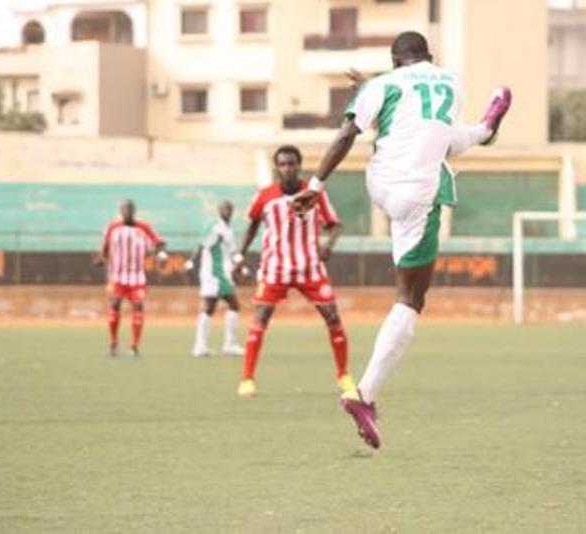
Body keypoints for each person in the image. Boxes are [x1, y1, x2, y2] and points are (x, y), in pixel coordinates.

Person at [292, 31, 512, 448]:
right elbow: (426, 112)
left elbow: (346, 134)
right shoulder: (451, 81)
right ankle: (364, 396)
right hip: (418, 195)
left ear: (395, 61)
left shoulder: (382, 85)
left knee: (438, 141)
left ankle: (485, 128)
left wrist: (316, 186)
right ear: (429, 56)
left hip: (380, 185)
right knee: (410, 299)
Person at [233, 145, 354, 398]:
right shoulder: (265, 196)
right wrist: (239, 255)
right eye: (282, 164)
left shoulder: (314, 193)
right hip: (275, 267)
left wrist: (327, 246)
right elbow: (253, 225)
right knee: (261, 317)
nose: (287, 168)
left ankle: (343, 375)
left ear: (299, 166)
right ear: (277, 167)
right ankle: (247, 378)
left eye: (291, 164)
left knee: (332, 316)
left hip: (309, 265)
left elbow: (335, 225)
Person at [96, 199, 167, 358]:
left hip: (137, 277)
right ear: (120, 211)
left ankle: (134, 347)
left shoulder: (144, 227)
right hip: (118, 276)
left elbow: (158, 243)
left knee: (138, 306)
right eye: (124, 209)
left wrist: (161, 252)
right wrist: (101, 259)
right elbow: (105, 249)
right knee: (114, 304)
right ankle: (113, 343)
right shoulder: (112, 228)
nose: (127, 211)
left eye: (130, 208)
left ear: (134, 210)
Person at [185, 200, 244, 357]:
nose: (227, 211)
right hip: (214, 273)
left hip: (222, 272)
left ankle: (201, 346)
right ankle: (228, 345)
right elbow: (201, 245)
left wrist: (239, 266)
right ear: (219, 210)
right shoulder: (214, 226)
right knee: (233, 304)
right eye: (225, 208)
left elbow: (231, 252)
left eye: (230, 209)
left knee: (210, 308)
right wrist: (191, 261)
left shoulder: (227, 229)